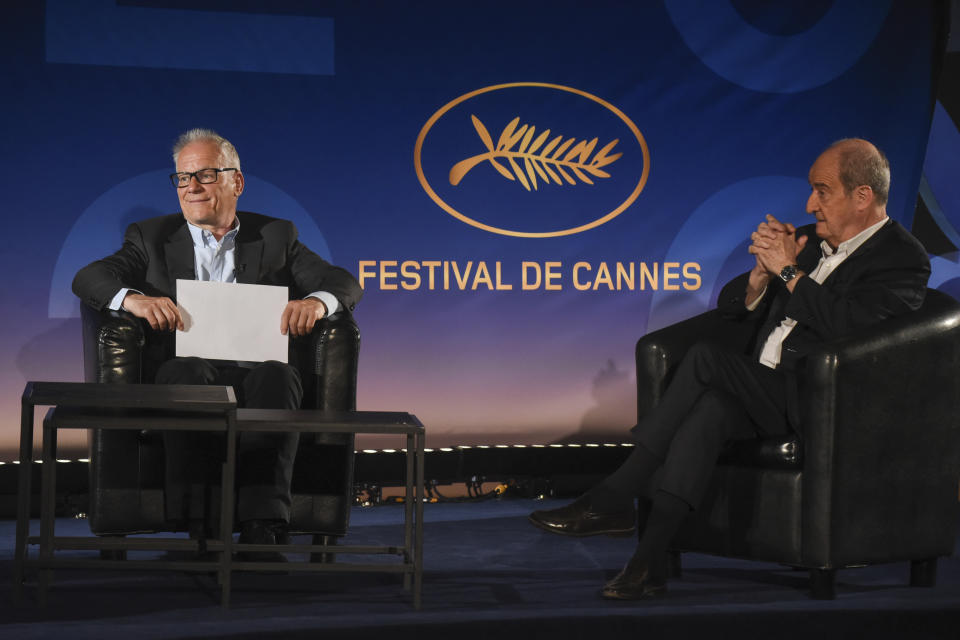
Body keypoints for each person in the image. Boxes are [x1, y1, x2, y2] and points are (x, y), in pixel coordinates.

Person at [528, 138, 930, 599]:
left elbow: (850, 325)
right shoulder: (812, 241)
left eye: (822, 191)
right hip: (763, 389)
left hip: (821, 399)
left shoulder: (901, 258)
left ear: (862, 196)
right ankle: (648, 563)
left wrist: (788, 274)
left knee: (703, 359)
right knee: (709, 412)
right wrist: (761, 278)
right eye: (811, 190)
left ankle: (617, 495)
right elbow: (733, 307)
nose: (809, 203)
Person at [73, 128, 363, 559]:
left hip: (257, 371)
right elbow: (89, 277)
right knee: (185, 373)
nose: (191, 187)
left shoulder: (277, 236)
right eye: (182, 178)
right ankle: (198, 519)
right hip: (184, 368)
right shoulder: (149, 238)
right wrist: (133, 298)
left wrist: (317, 304)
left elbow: (342, 282)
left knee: (279, 377)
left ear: (236, 182)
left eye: (205, 175)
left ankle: (262, 524)